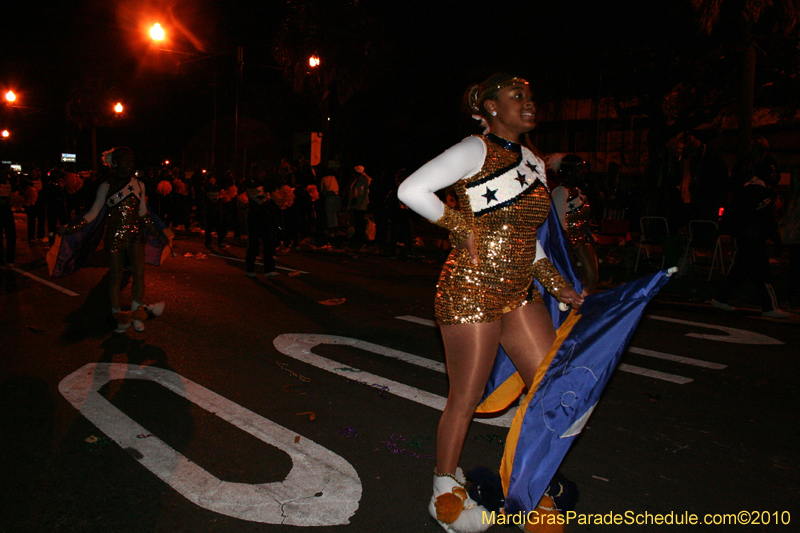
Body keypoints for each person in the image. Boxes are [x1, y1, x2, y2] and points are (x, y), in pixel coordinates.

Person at [398, 73, 584, 533]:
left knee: (550, 390)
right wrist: (461, 227)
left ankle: (530, 488)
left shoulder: (534, 163)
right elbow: (410, 191)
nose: (529, 102)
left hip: (520, 290)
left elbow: (529, 238)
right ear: (491, 106)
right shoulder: (472, 149)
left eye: (531, 95)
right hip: (470, 288)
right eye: (517, 95)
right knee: (465, 397)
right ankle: (444, 490)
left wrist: (556, 283)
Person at [57, 147, 168, 332]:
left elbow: (143, 214)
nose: (128, 164)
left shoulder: (139, 184)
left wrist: (160, 235)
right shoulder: (106, 186)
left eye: (130, 161)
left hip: (136, 236)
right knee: (115, 278)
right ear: (115, 164)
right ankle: (118, 317)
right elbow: (92, 213)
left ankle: (135, 314)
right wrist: (70, 228)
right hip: (114, 237)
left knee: (139, 274)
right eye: (124, 160)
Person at [711, 160, 789, 318]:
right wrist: (777, 240)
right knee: (762, 272)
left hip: (743, 237)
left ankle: (721, 298)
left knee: (740, 270)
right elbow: (766, 219)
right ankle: (770, 307)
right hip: (754, 238)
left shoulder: (746, 191)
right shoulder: (764, 194)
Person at [551, 154, 599, 293]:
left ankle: (583, 304)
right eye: (580, 169)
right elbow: (559, 221)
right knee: (585, 277)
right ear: (569, 171)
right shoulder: (561, 192)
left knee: (591, 277)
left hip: (581, 240)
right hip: (570, 243)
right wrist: (565, 247)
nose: (584, 172)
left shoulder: (578, 191)